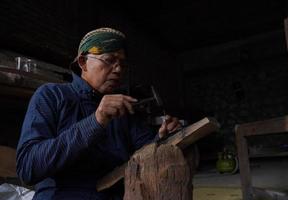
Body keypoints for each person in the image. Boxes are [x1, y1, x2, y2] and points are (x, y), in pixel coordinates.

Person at [16, 27, 181, 200]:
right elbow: (28, 168)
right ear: (82, 62)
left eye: (122, 65)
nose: (118, 70)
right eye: (109, 60)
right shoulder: (51, 95)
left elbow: (145, 153)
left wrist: (161, 139)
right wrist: (96, 121)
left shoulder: (123, 108)